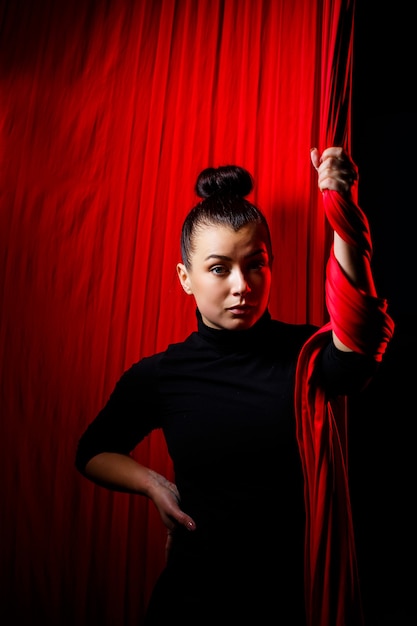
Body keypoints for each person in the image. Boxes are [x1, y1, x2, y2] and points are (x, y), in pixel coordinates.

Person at [75, 147, 394, 626]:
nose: (242, 285)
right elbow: (93, 451)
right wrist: (153, 484)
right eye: (220, 268)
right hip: (194, 600)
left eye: (256, 264)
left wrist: (341, 204)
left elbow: (359, 333)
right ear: (186, 278)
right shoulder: (163, 375)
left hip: (291, 599)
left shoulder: (305, 355)